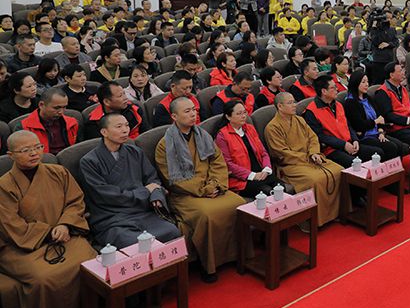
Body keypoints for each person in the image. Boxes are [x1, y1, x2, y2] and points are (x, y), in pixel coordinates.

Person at [0, 130, 97, 308]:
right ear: (11, 155)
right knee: (45, 279)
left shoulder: (58, 172)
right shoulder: (4, 185)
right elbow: (9, 224)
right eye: (26, 150)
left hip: (65, 235)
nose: (34, 153)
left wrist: (65, 224)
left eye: (38, 147)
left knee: (90, 260)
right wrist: (48, 232)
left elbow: (75, 202)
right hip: (22, 246)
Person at [155, 97, 245, 282]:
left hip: (212, 186)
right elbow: (173, 178)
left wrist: (215, 184)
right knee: (207, 215)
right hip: (185, 194)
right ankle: (209, 265)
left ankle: (239, 255)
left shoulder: (203, 135)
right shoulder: (165, 144)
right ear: (174, 116)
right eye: (187, 111)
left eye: (194, 110)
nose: (193, 114)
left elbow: (218, 162)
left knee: (239, 203)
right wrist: (204, 190)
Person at [79, 113, 181, 248]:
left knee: (172, 231)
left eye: (127, 125)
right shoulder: (89, 161)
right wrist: (145, 192)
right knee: (135, 243)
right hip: (113, 217)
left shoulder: (135, 152)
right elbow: (105, 195)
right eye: (119, 126)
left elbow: (152, 179)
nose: (125, 130)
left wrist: (156, 194)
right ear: (104, 132)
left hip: (142, 211)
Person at [265, 92, 343, 227]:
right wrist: (307, 157)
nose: (295, 105)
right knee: (315, 179)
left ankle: (337, 213)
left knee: (339, 170)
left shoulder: (299, 120)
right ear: (280, 106)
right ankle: (315, 221)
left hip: (311, 158)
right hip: (291, 165)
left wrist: (314, 153)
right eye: (290, 103)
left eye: (294, 102)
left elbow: (313, 138)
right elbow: (281, 152)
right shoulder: (272, 128)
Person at [213, 100, 291, 198]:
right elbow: (228, 164)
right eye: (239, 114)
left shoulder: (250, 128)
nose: (243, 116)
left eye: (244, 112)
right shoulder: (222, 136)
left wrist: (266, 169)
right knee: (266, 192)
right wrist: (252, 175)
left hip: (261, 173)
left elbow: (263, 152)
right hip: (242, 179)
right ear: (228, 117)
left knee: (280, 187)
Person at [343, 69, 406, 160]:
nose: (367, 84)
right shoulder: (350, 102)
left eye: (367, 81)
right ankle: (386, 169)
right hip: (365, 136)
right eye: (363, 82)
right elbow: (359, 125)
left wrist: (381, 132)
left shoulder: (368, 98)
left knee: (399, 146)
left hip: (377, 133)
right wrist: (376, 122)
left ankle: (396, 168)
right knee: (391, 148)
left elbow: (380, 117)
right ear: (355, 83)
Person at [15, 88, 78, 155]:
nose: (61, 112)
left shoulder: (72, 123)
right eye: (56, 108)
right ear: (41, 105)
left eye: (64, 107)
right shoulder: (24, 127)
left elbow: (78, 148)